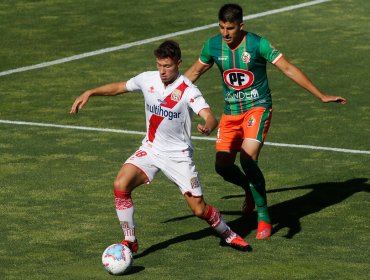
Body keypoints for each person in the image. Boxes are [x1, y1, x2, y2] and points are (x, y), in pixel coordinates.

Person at [70, 40, 252, 252]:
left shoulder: (188, 90)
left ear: (178, 63)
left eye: (168, 66)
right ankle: (130, 240)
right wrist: (90, 92)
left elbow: (209, 115)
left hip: (178, 157)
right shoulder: (147, 79)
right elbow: (119, 87)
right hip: (151, 149)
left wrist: (208, 125)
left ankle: (228, 234)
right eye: (159, 65)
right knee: (121, 185)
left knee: (199, 210)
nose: (163, 71)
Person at [184, 4, 346, 240]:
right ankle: (249, 190)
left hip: (257, 107)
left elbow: (288, 68)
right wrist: (165, 94)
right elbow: (193, 73)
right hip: (231, 112)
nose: (225, 34)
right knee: (222, 166)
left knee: (248, 160)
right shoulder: (212, 45)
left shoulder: (258, 44)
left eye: (230, 28)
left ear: (241, 26)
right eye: (221, 28)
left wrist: (319, 94)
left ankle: (263, 215)